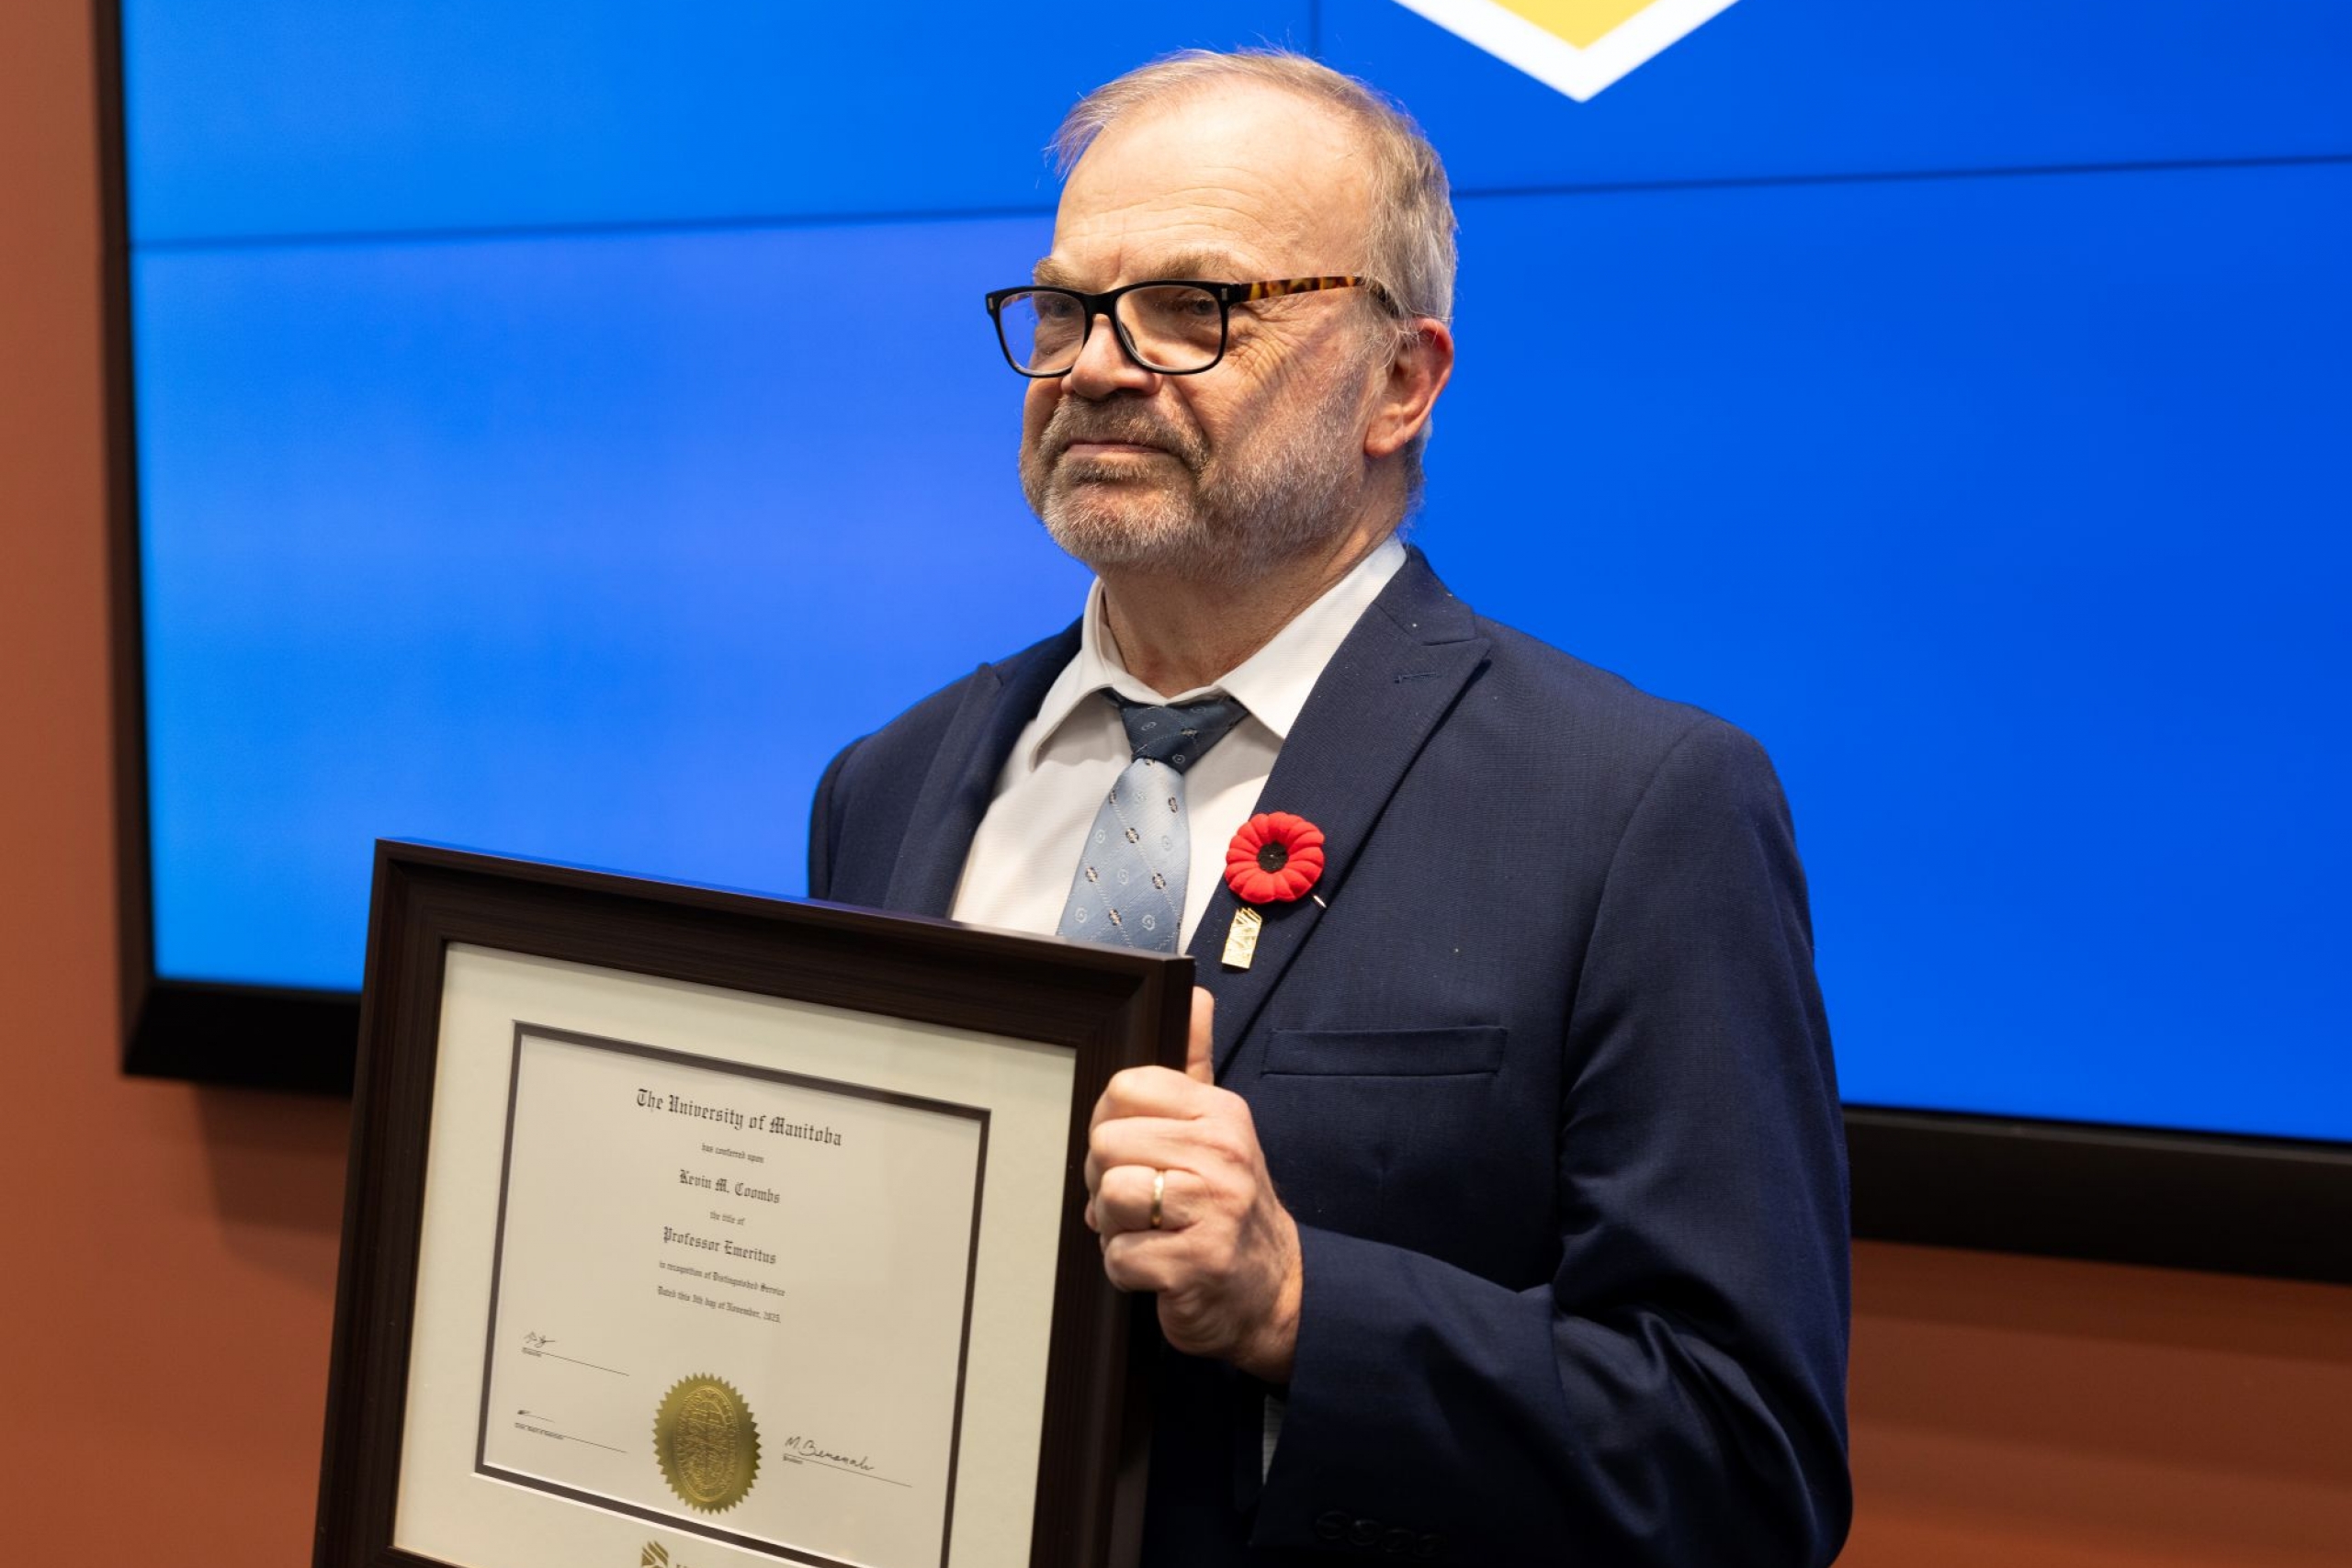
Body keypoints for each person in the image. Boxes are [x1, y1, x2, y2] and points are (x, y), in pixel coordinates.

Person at [808, 49, 1849, 1566]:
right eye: (1066, 307)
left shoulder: (1639, 808)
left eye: (1194, 308)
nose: (1097, 364)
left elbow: (1744, 1462)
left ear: (1401, 383)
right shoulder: (887, 783)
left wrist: (1303, 1304)